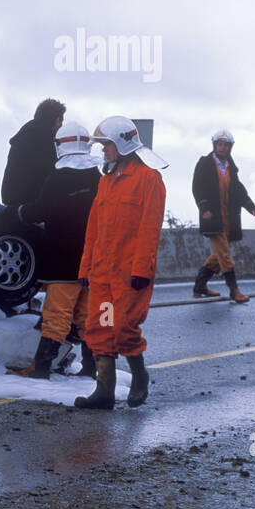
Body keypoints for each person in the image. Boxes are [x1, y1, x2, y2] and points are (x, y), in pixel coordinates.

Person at [74, 116, 167, 411]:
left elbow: (149, 228)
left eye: (107, 145)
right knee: (100, 327)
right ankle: (104, 391)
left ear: (123, 145)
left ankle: (140, 375)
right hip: (102, 272)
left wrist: (141, 269)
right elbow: (93, 229)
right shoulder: (106, 180)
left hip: (130, 272)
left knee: (124, 327)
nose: (103, 151)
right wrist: (86, 268)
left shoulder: (149, 180)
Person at [8, 119, 101, 379]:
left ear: (61, 144)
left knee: (56, 314)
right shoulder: (98, 176)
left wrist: (16, 212)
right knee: (86, 316)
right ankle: (92, 368)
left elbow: (40, 209)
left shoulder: (60, 175)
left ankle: (40, 368)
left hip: (63, 259)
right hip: (92, 259)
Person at [191, 128, 255, 304]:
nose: (222, 148)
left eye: (225, 146)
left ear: (230, 148)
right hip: (212, 217)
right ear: (214, 145)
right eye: (219, 145)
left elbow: (238, 190)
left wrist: (250, 206)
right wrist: (203, 207)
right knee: (226, 256)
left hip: (228, 218)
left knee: (219, 254)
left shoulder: (230, 167)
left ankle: (200, 286)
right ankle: (234, 290)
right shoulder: (204, 163)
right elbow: (197, 187)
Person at [1, 98, 66, 206]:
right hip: (28, 209)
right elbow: (50, 178)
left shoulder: (24, 137)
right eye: (61, 121)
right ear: (57, 120)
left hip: (11, 203)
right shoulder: (42, 143)